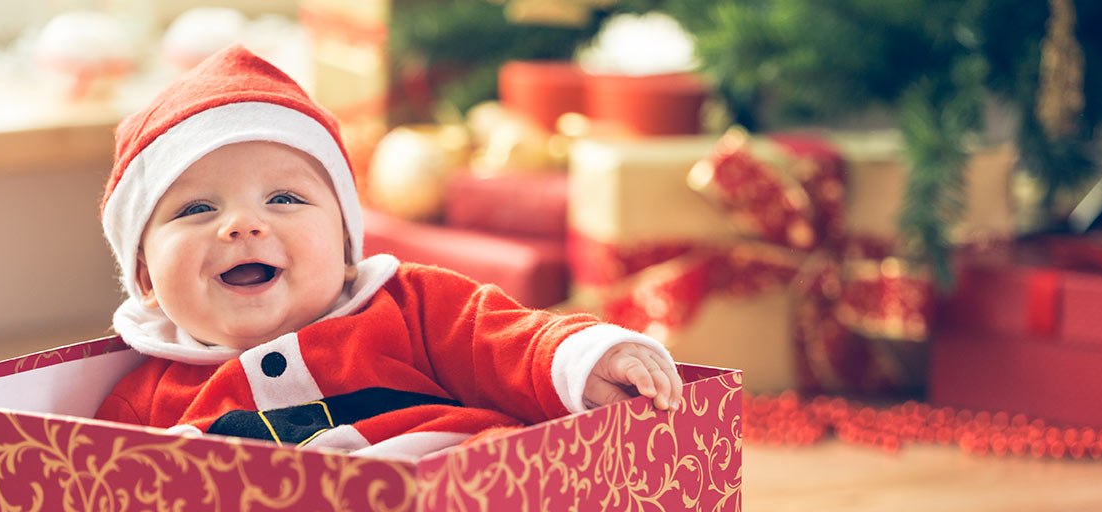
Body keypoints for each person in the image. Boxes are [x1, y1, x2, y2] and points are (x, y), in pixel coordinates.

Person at [94, 45, 682, 460]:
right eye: (197, 209)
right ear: (144, 277)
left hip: (459, 487)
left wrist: (585, 358)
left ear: (347, 246)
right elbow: (114, 500)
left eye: (284, 198)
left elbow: (507, 338)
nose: (243, 226)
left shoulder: (409, 305)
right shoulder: (144, 399)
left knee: (505, 458)